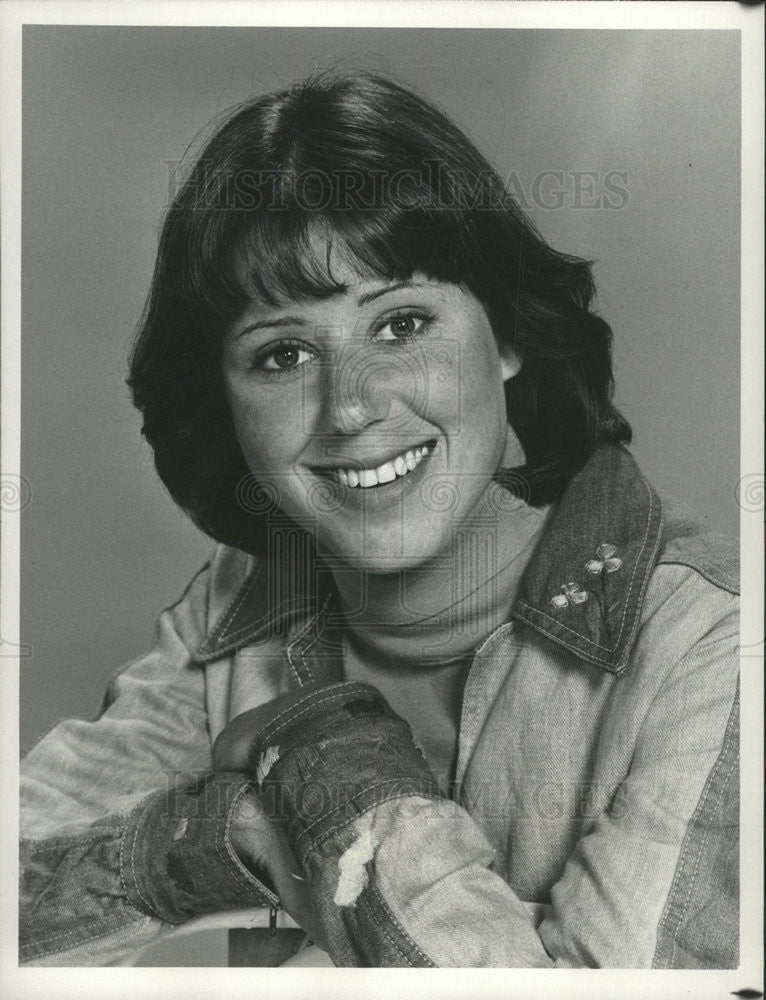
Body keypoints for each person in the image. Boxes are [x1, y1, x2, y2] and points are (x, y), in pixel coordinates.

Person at [19, 69, 739, 968]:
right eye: (283, 353)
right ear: (225, 402)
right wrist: (235, 832)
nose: (351, 409)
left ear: (508, 335)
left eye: (401, 326)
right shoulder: (246, 597)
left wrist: (324, 768)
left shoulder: (715, 653)